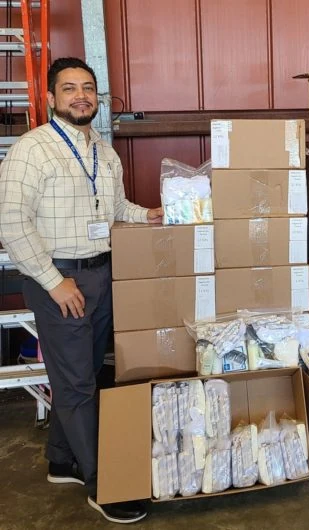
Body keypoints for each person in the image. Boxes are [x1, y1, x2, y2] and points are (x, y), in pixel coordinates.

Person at [0, 57, 162, 523]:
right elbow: (11, 223)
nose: (80, 96)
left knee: (88, 372)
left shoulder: (103, 152)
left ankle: (61, 460)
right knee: (76, 384)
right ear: (50, 98)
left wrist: (145, 214)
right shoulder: (32, 150)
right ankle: (104, 484)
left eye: (88, 88)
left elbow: (114, 208)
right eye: (69, 88)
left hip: (100, 273)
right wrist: (54, 281)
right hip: (59, 279)